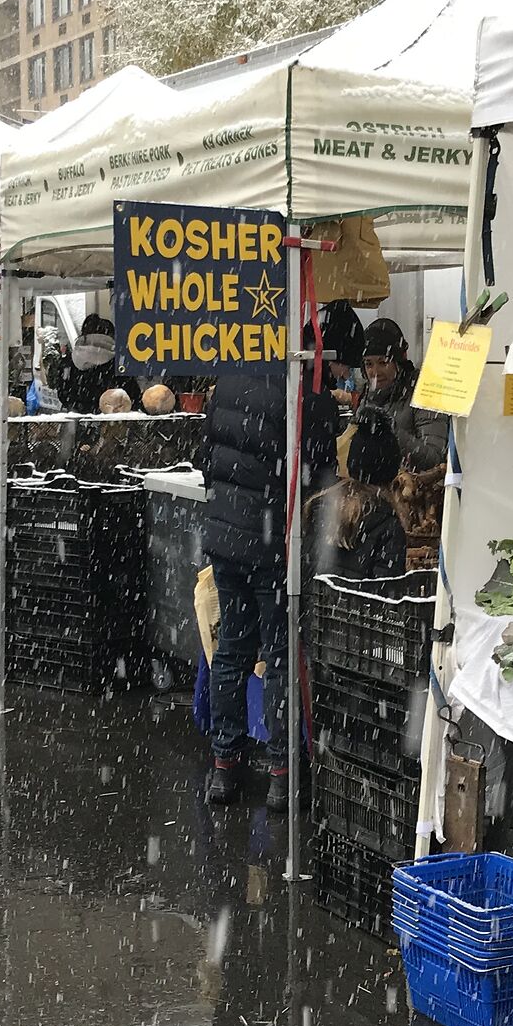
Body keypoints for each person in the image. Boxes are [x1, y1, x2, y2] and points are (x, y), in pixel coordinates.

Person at [198, 331, 340, 811]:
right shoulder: (301, 390)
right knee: (279, 655)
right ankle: (282, 774)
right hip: (273, 542)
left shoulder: (228, 381)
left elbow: (207, 461)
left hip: (225, 539)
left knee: (232, 650)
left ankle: (224, 768)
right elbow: (321, 465)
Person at [310, 407, 410, 580]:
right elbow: (385, 590)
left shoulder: (321, 506)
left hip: (319, 604)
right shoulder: (388, 525)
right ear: (392, 472)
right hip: (360, 605)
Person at [356, 317, 450, 470]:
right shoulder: (367, 395)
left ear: (398, 362)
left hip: (412, 489)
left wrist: (390, 431)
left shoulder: (425, 391)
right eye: (369, 364)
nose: (375, 372)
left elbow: (434, 457)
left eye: (383, 362)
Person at [48, 315, 140, 414]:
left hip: (77, 420)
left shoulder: (69, 361)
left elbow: (63, 393)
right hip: (111, 421)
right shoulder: (118, 363)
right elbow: (132, 395)